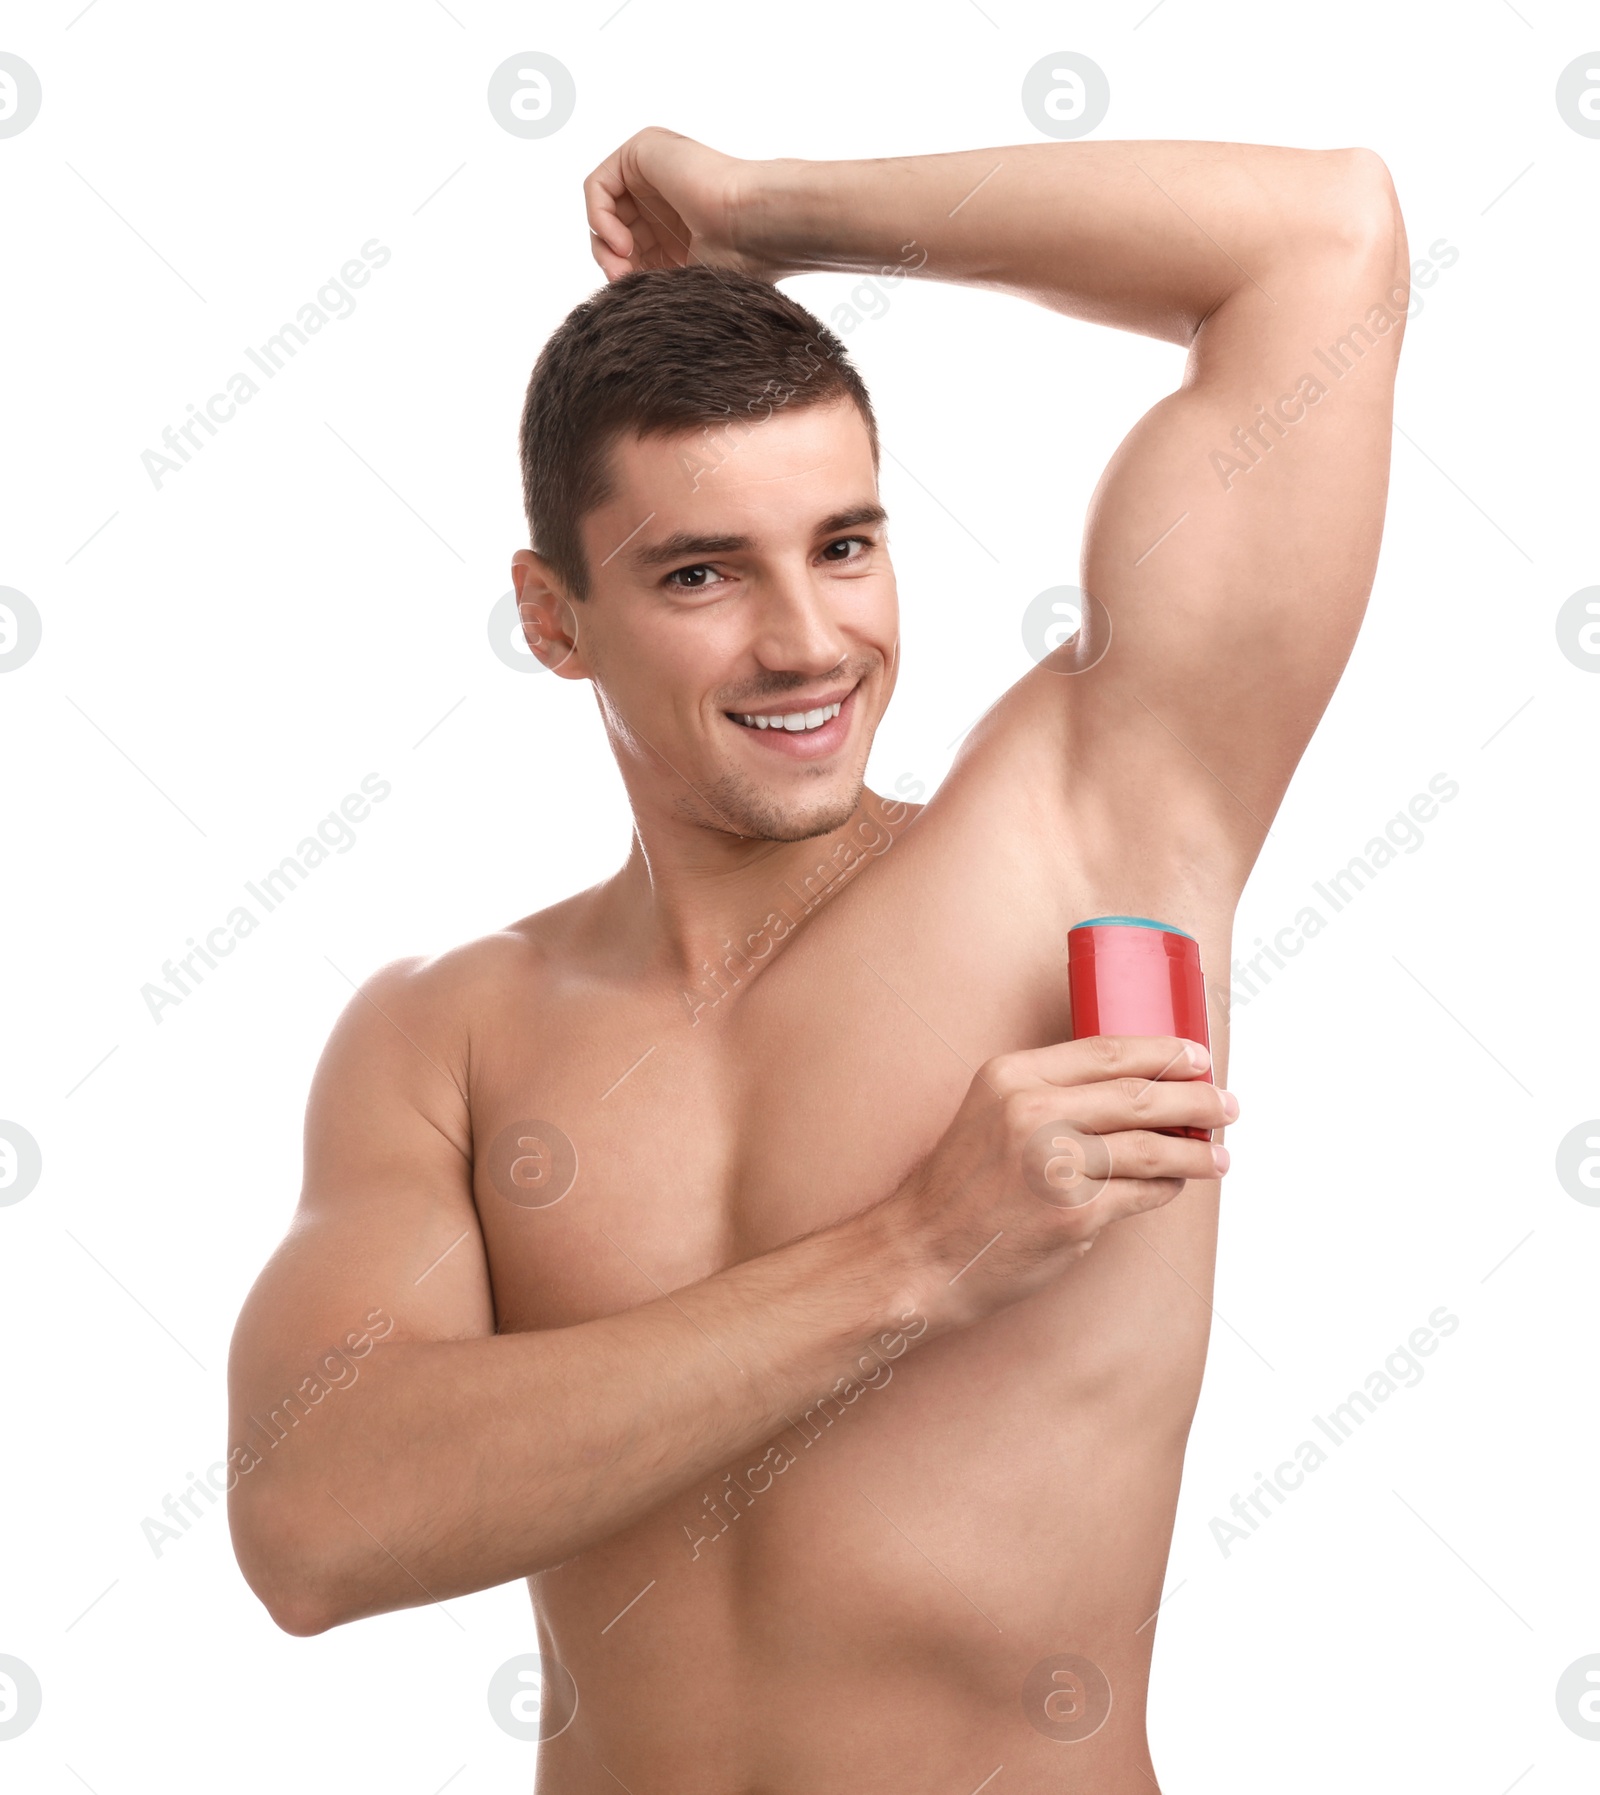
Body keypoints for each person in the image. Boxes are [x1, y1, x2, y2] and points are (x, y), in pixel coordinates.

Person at [227, 127, 1407, 1790]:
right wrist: (918, 1251)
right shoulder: (452, 1036)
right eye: (702, 573)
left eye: (844, 545)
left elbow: (1321, 241)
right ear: (552, 618)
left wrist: (765, 219)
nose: (806, 643)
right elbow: (313, 1522)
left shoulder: (1092, 834)